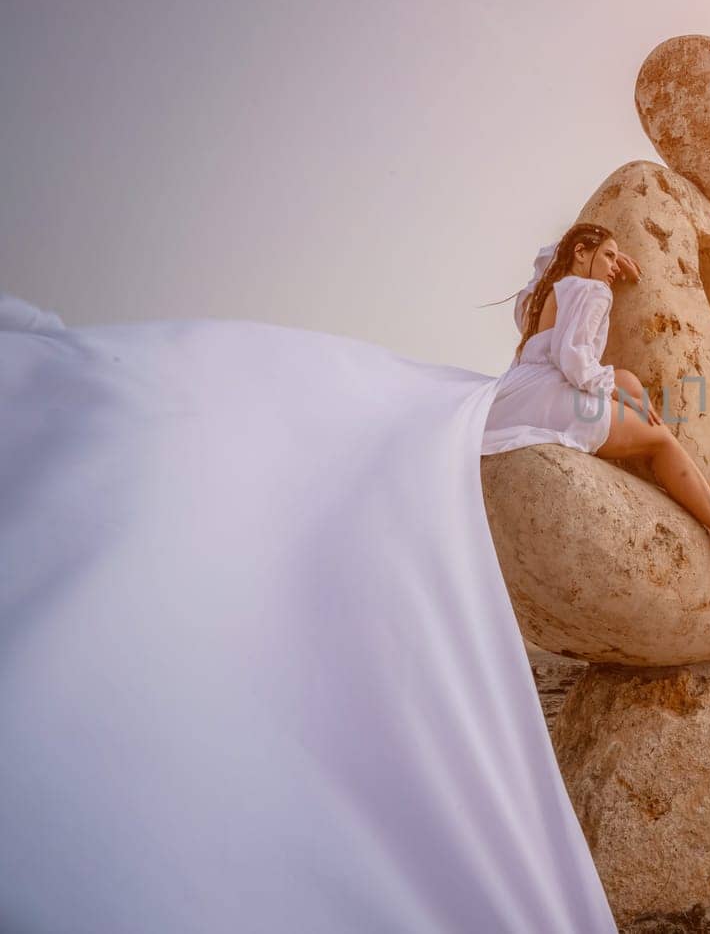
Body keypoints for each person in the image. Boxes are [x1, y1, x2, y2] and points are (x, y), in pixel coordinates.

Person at [0, 288, 620, 932]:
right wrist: (604, 382)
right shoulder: (584, 289)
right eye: (603, 256)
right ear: (589, 257)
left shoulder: (550, 294)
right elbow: (577, 361)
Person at [481, 222, 710, 571]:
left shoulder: (540, 296)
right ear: (580, 253)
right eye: (609, 257)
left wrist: (600, 253)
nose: (614, 267)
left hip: (517, 392)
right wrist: (612, 385)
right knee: (660, 439)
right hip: (555, 396)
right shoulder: (592, 291)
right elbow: (573, 359)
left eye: (615, 259)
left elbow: (544, 260)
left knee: (626, 382)